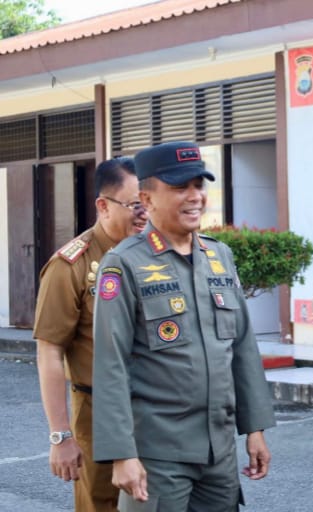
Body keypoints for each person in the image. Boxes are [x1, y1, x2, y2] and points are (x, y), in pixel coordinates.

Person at [91, 141, 276, 511]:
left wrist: (254, 429)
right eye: (179, 188)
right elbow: (111, 365)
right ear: (147, 198)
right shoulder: (124, 264)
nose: (194, 197)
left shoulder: (219, 256)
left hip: (218, 450)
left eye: (198, 185)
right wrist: (122, 454)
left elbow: (241, 348)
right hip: (158, 455)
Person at [34, 157, 147, 512]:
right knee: (102, 504)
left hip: (159, 410)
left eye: (149, 203)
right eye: (134, 206)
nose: (144, 214)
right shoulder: (71, 266)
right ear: (103, 205)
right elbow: (50, 352)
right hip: (98, 412)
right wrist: (61, 436)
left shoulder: (156, 256)